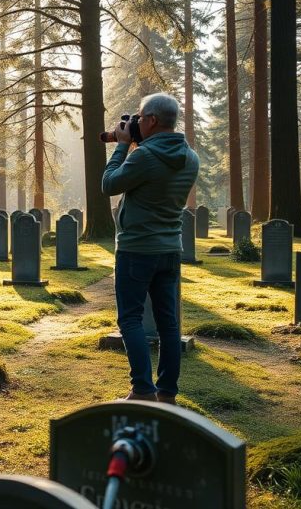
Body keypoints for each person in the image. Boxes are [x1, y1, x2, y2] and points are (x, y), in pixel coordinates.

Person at [101, 93, 199, 404]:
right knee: (168, 322)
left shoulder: (143, 157)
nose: (138, 122)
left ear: (153, 120)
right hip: (170, 249)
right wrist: (136, 143)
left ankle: (142, 389)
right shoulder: (190, 157)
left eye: (141, 118)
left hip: (136, 249)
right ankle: (168, 393)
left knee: (130, 319)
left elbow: (109, 184)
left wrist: (121, 145)